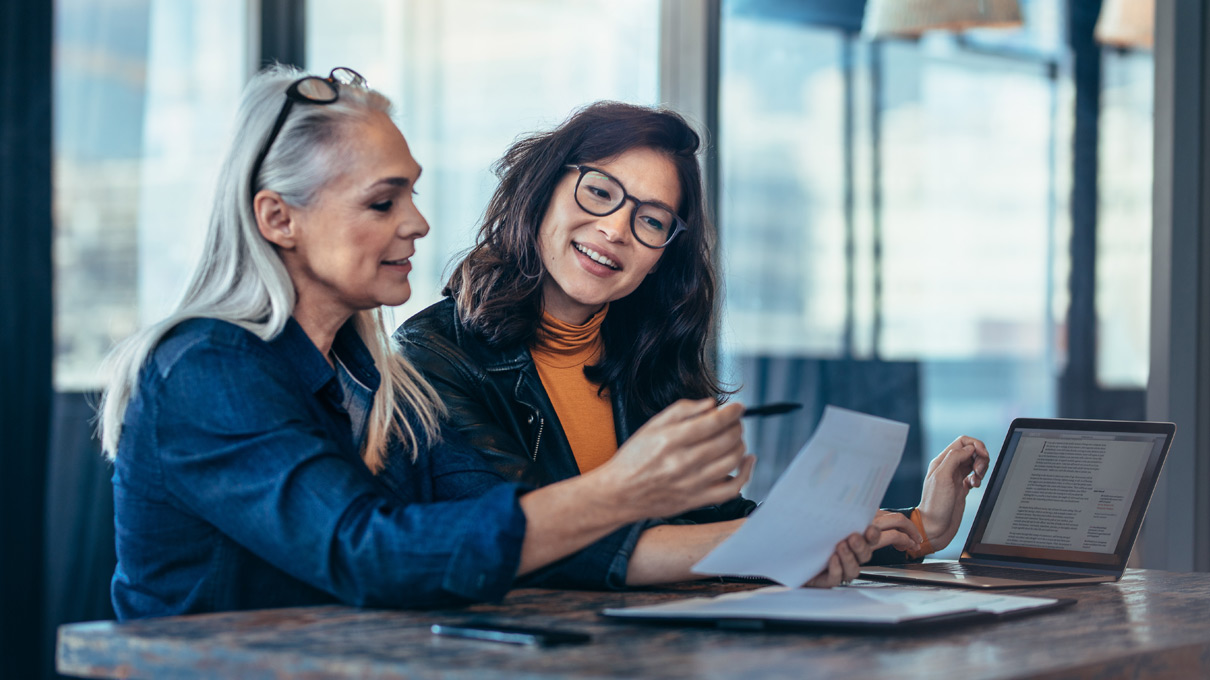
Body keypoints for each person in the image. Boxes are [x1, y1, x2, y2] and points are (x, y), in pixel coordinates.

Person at [98, 67, 878, 621]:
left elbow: (483, 534)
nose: (418, 223)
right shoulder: (206, 368)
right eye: (383, 200)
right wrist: (622, 490)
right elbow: (372, 555)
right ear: (278, 219)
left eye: (412, 191)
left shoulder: (367, 377)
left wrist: (845, 536)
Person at [396, 101, 990, 562]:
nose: (614, 229)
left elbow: (713, 522)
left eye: (650, 219)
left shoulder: (648, 353)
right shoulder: (432, 355)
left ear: (663, 253)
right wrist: (779, 547)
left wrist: (918, 527)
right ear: (543, 189)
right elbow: (521, 539)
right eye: (599, 192)